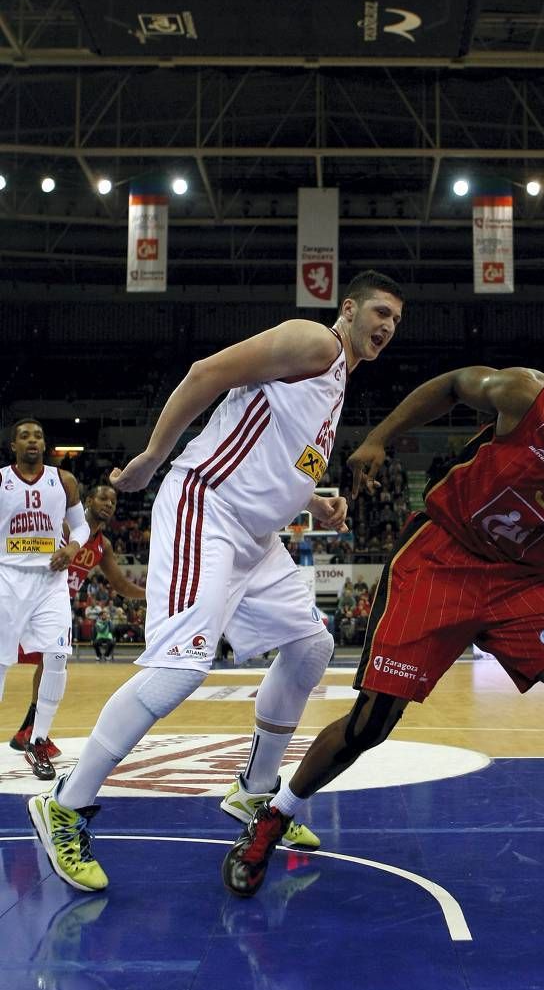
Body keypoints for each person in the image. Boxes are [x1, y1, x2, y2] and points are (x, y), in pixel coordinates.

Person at [221, 360, 544, 953]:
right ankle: (274, 817)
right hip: (441, 556)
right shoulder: (530, 395)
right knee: (370, 725)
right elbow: (451, 385)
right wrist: (381, 438)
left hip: (520, 579)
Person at [28, 270, 404, 892]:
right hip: (206, 507)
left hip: (256, 539)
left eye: (397, 319)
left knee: (311, 647)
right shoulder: (318, 343)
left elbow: (280, 469)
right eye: (381, 311)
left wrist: (318, 508)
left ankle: (254, 791)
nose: (388, 326)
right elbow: (207, 372)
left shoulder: (335, 390)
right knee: (180, 668)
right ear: (349, 309)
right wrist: (152, 456)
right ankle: (66, 803)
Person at [10, 482, 146, 757]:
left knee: (53, 662)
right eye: (104, 499)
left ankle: (29, 731)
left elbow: (119, 584)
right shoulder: (62, 526)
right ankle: (30, 732)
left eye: (114, 502)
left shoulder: (102, 545)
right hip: (28, 597)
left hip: (54, 606)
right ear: (87, 501)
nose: (109, 504)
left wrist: (151, 596)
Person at [0, 419, 91, 781]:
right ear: (13, 446)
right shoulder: (2, 480)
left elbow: (81, 526)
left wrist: (70, 547)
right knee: (1, 662)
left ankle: (38, 740)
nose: (33, 441)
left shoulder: (63, 480)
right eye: (25, 436)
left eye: (38, 435)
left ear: (45, 444)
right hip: (8, 578)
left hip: (50, 581)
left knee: (56, 657)